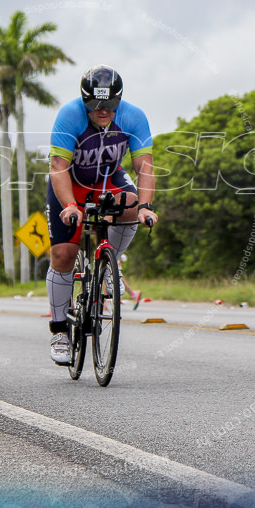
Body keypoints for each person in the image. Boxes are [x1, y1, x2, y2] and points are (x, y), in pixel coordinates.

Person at [45, 65, 158, 365]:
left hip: (107, 180)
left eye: (109, 105)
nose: (103, 111)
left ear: (119, 99)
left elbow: (144, 167)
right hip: (70, 183)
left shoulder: (133, 117)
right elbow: (58, 167)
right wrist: (69, 205)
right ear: (84, 100)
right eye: (95, 105)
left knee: (132, 204)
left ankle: (109, 266)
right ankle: (59, 332)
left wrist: (146, 207)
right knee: (63, 254)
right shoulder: (69, 115)